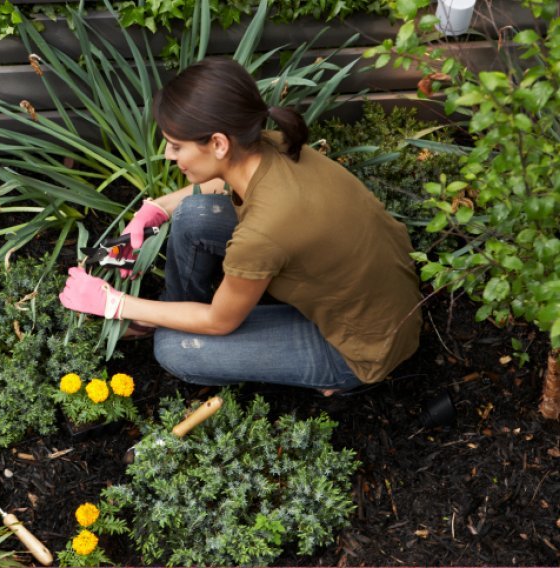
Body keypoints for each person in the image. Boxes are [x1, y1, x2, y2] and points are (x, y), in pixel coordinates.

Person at [59, 57, 422, 395]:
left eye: (175, 146)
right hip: (382, 293)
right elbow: (224, 181)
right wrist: (156, 209)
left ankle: (338, 379)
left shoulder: (262, 234)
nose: (169, 156)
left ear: (218, 143)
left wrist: (116, 304)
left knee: (175, 348)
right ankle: (177, 310)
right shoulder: (270, 144)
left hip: (361, 347)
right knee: (192, 214)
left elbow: (220, 323)